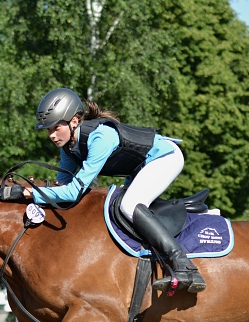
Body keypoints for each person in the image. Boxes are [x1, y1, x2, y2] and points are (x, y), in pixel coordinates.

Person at [23, 87, 205, 294]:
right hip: (139, 168)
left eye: (56, 128)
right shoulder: (69, 149)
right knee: (118, 209)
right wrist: (33, 195)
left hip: (165, 158)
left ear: (74, 121)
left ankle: (184, 265)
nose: (52, 136)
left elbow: (74, 192)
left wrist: (32, 193)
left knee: (129, 205)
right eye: (48, 130)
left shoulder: (100, 137)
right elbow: (62, 188)